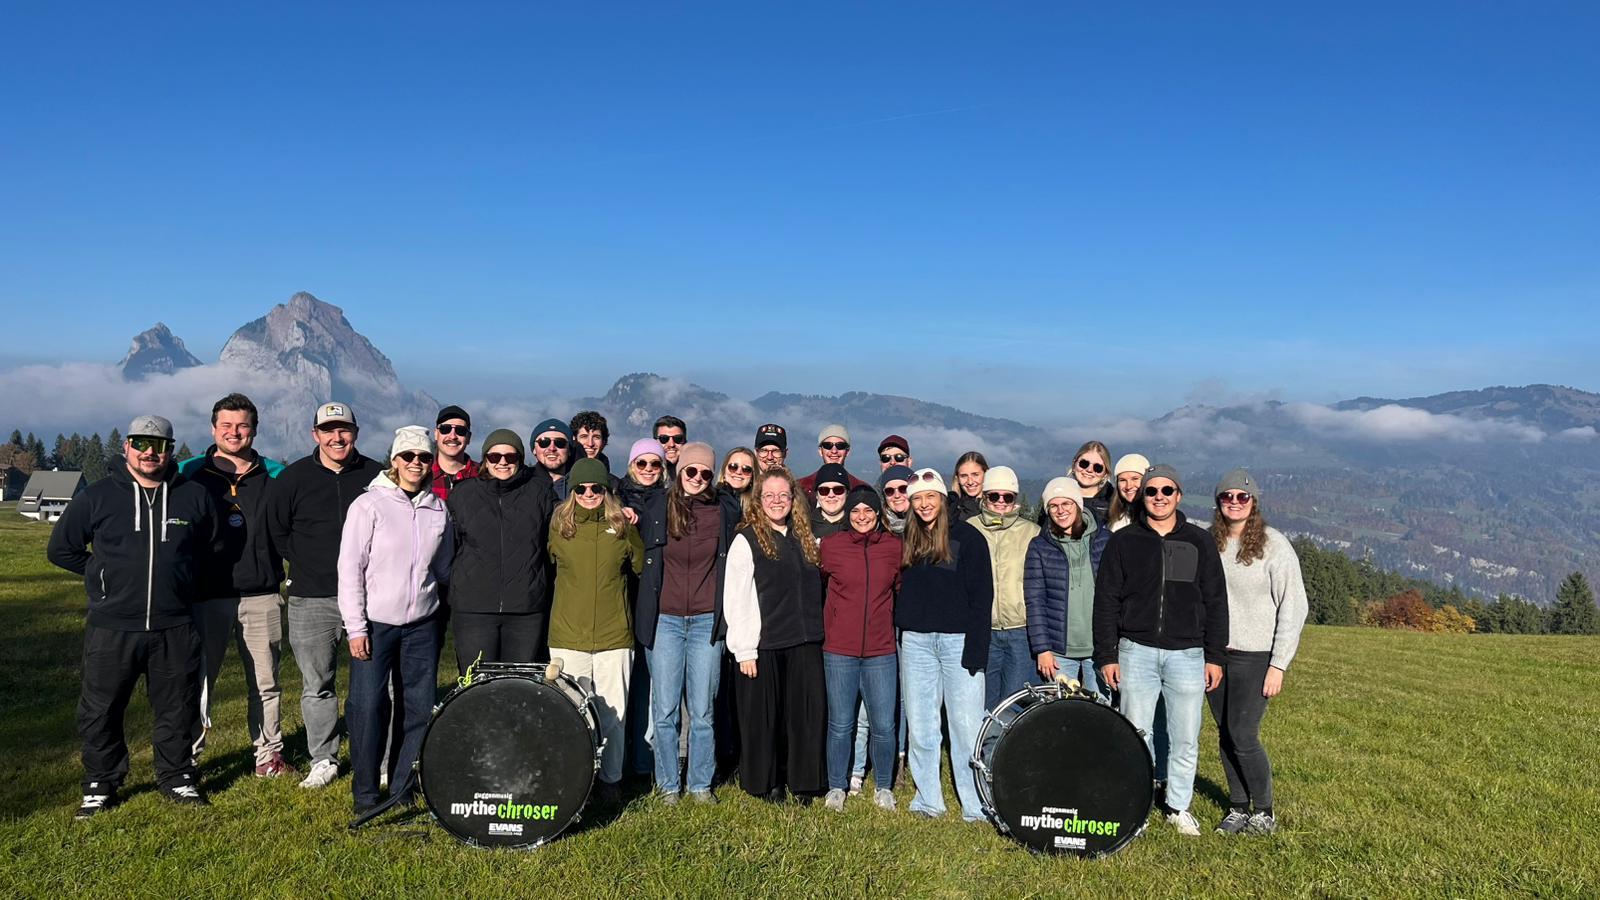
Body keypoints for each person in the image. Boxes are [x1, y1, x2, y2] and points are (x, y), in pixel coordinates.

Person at [48, 415, 218, 817]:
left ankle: (177, 776)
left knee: (177, 706)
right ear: (126, 446)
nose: (149, 452)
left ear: (170, 451)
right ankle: (100, 783)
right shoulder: (98, 495)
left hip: (174, 625)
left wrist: (184, 583)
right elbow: (61, 550)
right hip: (113, 626)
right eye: (141, 443)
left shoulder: (192, 496)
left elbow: (212, 549)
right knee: (101, 709)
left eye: (158, 445)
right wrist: (101, 574)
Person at [1094, 464, 1229, 836]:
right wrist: (1107, 654)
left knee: (1185, 736)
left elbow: (1216, 601)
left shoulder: (1200, 542)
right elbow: (1106, 601)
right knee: (1136, 734)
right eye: (1151, 491)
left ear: (1178, 495)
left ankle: (1178, 806)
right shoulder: (1124, 541)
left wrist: (1215, 656)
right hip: (1135, 651)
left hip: (1188, 654)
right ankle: (1135, 804)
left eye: (1166, 490)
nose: (1159, 497)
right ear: (1143, 497)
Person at [267, 401, 386, 790]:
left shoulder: (376, 476)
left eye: (344, 429)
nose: (337, 437)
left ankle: (383, 758)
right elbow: (277, 531)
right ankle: (324, 759)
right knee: (317, 683)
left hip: (370, 597)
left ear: (356, 432)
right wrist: (306, 562)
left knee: (378, 682)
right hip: (312, 597)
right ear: (315, 434)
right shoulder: (292, 478)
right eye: (328, 430)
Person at [338, 427, 454, 815]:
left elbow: (443, 566)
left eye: (424, 457)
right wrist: (356, 627)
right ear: (394, 460)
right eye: (408, 456)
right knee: (368, 707)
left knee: (418, 707)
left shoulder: (438, 509)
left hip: (422, 623)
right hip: (376, 623)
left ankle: (403, 785)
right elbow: (350, 569)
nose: (416, 463)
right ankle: (366, 793)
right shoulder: (368, 505)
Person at [176, 393, 292, 777]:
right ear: (213, 429)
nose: (234, 432)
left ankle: (268, 756)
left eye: (242, 425)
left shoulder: (275, 476)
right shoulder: (189, 473)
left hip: (261, 594)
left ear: (254, 430)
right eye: (226, 425)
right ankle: (187, 760)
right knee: (198, 682)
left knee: (265, 682)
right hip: (205, 595)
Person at [1208, 469, 1308, 836]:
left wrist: (1278, 664)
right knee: (1224, 733)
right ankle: (1238, 806)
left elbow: (1294, 607)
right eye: (1227, 496)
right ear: (1218, 502)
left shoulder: (1274, 545)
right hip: (1216, 653)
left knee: (1243, 734)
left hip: (1256, 656)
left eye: (1242, 496)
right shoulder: (1211, 543)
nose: (1234, 502)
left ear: (1254, 502)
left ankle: (1264, 811)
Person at [635, 442, 735, 804]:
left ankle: (700, 785)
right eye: (691, 470)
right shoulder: (657, 507)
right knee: (664, 709)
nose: (697, 478)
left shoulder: (724, 511)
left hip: (707, 620)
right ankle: (667, 785)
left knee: (703, 709)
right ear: (679, 472)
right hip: (666, 620)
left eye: (705, 473)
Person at [723, 467, 827, 803]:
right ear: (759, 500)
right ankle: (768, 781)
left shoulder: (804, 537)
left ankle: (804, 781)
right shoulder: (747, 539)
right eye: (769, 495)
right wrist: (744, 650)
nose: (777, 501)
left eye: (783, 495)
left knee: (803, 716)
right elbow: (736, 597)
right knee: (765, 718)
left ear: (793, 499)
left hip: (805, 640)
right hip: (765, 643)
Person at [547, 457, 645, 805]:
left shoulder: (622, 526)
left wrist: (632, 524)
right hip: (567, 637)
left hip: (613, 636)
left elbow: (640, 566)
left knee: (613, 715)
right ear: (572, 491)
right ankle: (578, 780)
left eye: (596, 488)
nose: (589, 494)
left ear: (607, 490)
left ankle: (611, 780)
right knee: (573, 714)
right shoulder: (558, 527)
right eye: (581, 488)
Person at [896, 468, 991, 821]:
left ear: (942, 498)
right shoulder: (908, 538)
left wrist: (977, 649)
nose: (923, 504)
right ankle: (928, 800)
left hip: (958, 642)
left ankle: (975, 804)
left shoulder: (969, 538)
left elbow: (982, 597)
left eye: (930, 497)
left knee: (965, 725)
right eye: (917, 499)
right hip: (917, 643)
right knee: (922, 724)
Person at [817, 487, 902, 813]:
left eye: (868, 510)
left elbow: (898, 588)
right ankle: (836, 787)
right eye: (855, 511)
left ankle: (884, 787)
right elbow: (819, 584)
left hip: (881, 650)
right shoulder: (832, 547)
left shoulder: (893, 548)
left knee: (883, 725)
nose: (862, 516)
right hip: (840, 650)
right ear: (847, 514)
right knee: (840, 723)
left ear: (878, 514)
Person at [445, 429, 556, 673]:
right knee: (477, 682)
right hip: (473, 607)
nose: (502, 462)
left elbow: (561, 530)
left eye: (510, 456)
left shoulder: (540, 492)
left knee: (518, 682)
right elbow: (449, 545)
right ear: (485, 459)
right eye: (495, 457)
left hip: (526, 608)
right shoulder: (463, 494)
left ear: (520, 459)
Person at [1024, 478, 1109, 698]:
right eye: (1053, 506)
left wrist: (1113, 647)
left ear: (1078, 505)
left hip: (1099, 647)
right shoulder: (1040, 546)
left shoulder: (1104, 540)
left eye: (1066, 503)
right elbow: (1035, 600)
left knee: (1100, 710)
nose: (1060, 510)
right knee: (1061, 711)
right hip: (1058, 650)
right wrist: (1042, 648)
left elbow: (1117, 595)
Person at [969, 465, 1040, 710]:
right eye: (994, 496)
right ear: (984, 497)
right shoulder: (970, 529)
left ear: (1015, 499)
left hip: (1019, 629)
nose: (1000, 501)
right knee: (985, 702)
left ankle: (1012, 738)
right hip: (984, 630)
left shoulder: (1031, 532)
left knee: (1016, 701)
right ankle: (988, 738)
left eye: (1007, 497)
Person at [797, 424, 869, 502]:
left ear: (847, 452)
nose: (834, 451)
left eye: (840, 446)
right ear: (820, 451)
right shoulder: (800, 487)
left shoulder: (862, 489)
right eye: (827, 445)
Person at [430, 405, 478, 501]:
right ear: (436, 434)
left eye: (460, 430)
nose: (453, 436)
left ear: (468, 438)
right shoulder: (423, 474)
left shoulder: (483, 476)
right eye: (445, 429)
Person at [1069, 440, 1116, 526]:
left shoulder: (1114, 502)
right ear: (1074, 464)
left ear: (1105, 473)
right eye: (1084, 463)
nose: (1089, 470)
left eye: (1097, 468)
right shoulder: (1057, 495)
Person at [530, 418, 575, 500]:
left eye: (560, 443)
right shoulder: (522, 484)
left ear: (569, 450)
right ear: (534, 449)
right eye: (544, 442)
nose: (552, 448)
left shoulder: (581, 486)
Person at [807, 463, 853, 539]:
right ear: (817, 495)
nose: (831, 495)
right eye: (824, 490)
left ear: (847, 493)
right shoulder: (804, 527)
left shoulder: (857, 526)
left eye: (838, 490)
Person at [1107, 453, 1150, 532]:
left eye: (1135, 479)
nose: (1128, 486)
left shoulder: (1156, 517)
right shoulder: (1110, 517)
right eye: (1122, 480)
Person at [948, 451, 988, 521]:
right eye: (964, 476)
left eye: (975, 475)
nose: (970, 482)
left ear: (986, 474)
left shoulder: (1000, 504)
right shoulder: (951, 510)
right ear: (957, 479)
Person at [877, 464, 914, 536]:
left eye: (903, 489)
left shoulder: (928, 524)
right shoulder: (877, 530)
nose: (897, 495)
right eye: (889, 491)